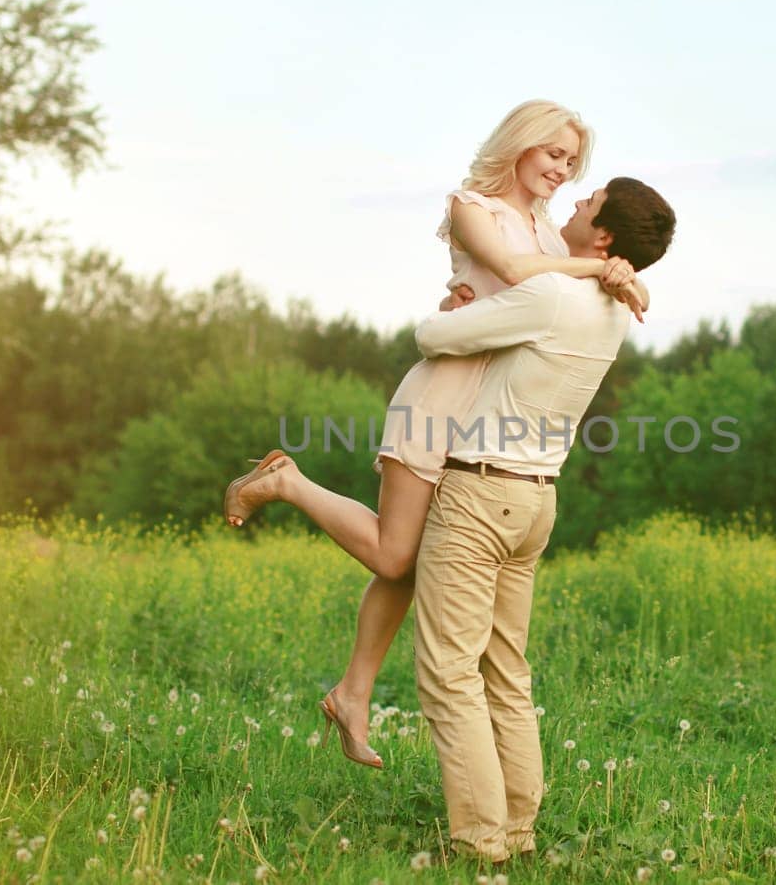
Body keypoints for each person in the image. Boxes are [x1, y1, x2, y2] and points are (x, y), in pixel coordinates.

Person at [222, 100, 649, 770]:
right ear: (520, 144)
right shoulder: (471, 207)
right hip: (442, 393)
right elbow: (512, 273)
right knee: (396, 555)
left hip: (489, 417)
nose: (561, 170)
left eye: (572, 162)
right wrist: (599, 268)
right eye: (553, 154)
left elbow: (573, 292)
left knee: (421, 560)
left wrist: (619, 269)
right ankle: (286, 481)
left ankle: (352, 692)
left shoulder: (549, 230)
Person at [406, 176, 676, 863]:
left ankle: (480, 841)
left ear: (605, 235)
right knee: (506, 670)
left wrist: (453, 304)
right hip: (535, 502)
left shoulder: (551, 294)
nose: (576, 204)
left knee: (450, 672)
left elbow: (431, 334)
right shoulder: (615, 308)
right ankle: (518, 830)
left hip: (478, 494)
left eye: (589, 204)